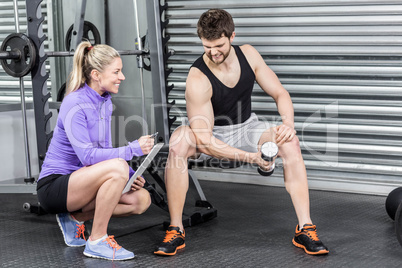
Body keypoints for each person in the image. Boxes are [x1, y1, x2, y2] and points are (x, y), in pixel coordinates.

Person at [153, 9, 329, 256]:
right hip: (210, 134)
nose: (213, 52)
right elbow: (204, 140)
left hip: (247, 128)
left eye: (219, 46)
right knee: (179, 141)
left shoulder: (248, 55)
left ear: (232, 35)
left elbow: (280, 93)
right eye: (207, 47)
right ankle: (176, 229)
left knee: (290, 143)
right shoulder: (198, 77)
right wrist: (251, 158)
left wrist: (288, 124)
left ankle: (305, 227)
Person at [36, 41, 154, 261]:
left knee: (141, 199)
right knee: (119, 166)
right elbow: (88, 156)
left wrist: (130, 175)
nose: (122, 77)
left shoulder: (105, 102)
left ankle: (75, 217)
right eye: (117, 72)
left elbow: (104, 150)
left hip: (83, 182)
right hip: (55, 186)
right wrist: (132, 150)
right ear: (96, 74)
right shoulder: (75, 103)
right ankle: (97, 240)